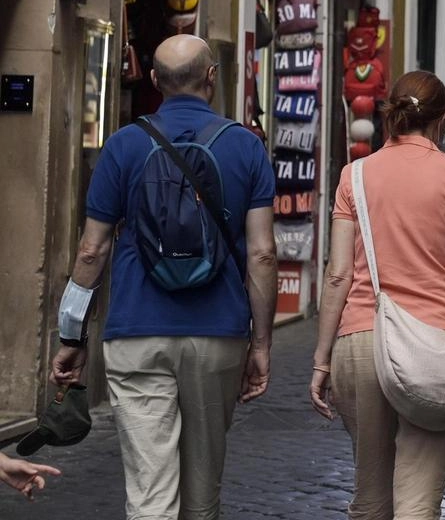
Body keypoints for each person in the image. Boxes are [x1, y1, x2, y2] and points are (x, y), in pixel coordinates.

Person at [50, 35, 278, 519]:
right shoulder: (245, 147)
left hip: (136, 333)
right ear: (212, 78)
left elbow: (92, 249)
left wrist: (72, 333)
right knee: (202, 492)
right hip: (218, 334)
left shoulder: (124, 144)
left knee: (151, 494)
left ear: (153, 81)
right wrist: (260, 345)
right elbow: (262, 255)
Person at [310, 71, 445, 519]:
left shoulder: (355, 175)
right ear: (443, 121)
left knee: (370, 496)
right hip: (436, 343)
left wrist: (322, 360)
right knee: (418, 502)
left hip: (362, 337)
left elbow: (338, 274)